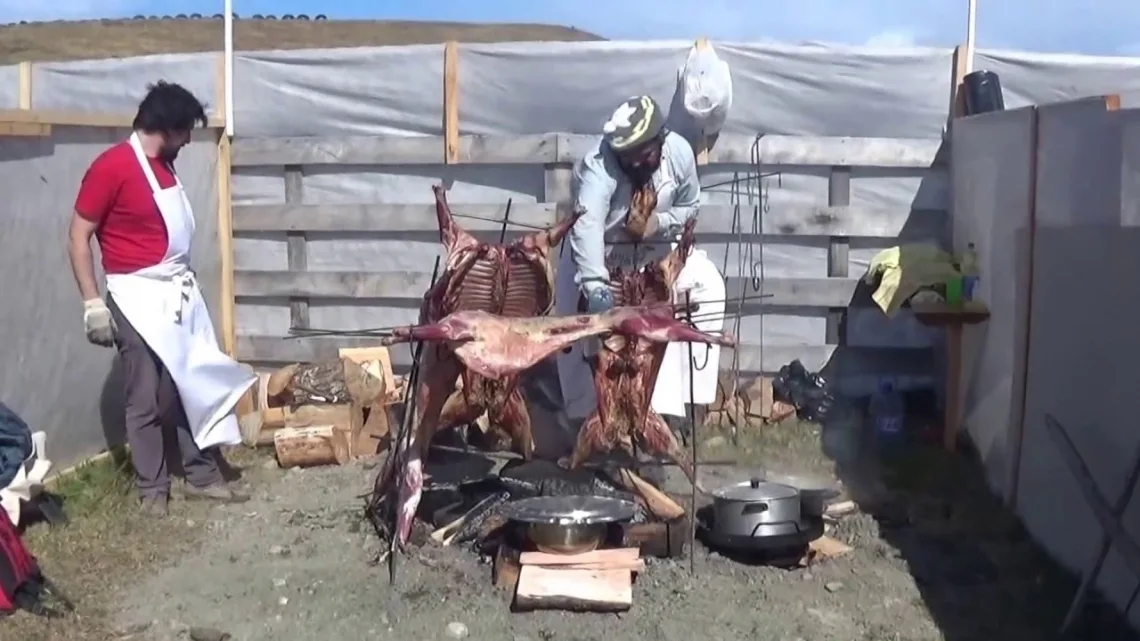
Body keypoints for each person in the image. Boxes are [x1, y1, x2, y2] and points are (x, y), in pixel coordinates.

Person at [67, 81, 256, 516]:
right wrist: (92, 303)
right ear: (167, 128)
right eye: (186, 131)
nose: (190, 140)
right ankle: (153, 490)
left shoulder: (164, 167)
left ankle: (202, 475)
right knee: (145, 394)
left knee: (192, 383)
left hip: (176, 293)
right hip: (134, 296)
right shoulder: (111, 167)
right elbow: (78, 235)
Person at [555, 95, 726, 431]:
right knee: (575, 322)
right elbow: (587, 225)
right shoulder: (598, 167)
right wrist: (594, 284)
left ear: (659, 139)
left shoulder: (678, 153)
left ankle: (681, 411)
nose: (633, 163)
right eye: (626, 157)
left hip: (656, 250)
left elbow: (690, 206)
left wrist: (655, 224)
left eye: (641, 155)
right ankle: (589, 422)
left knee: (707, 285)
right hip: (602, 254)